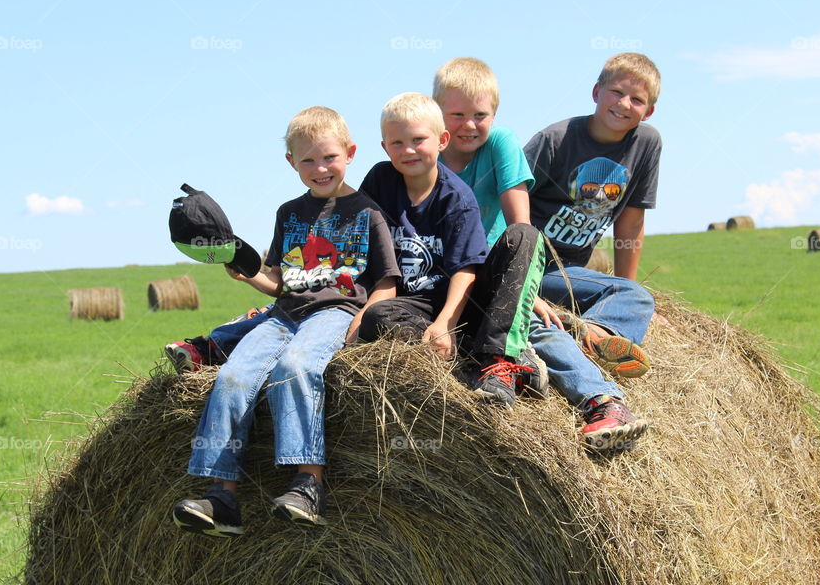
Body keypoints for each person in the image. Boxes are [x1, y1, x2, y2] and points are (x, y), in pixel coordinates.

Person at [171, 106, 399, 536]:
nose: (320, 168)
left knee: (295, 367)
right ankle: (222, 497)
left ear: (350, 153)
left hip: (336, 311)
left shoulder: (368, 213)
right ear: (291, 162)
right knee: (234, 376)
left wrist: (363, 322)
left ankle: (308, 484)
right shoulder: (288, 213)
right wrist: (246, 272)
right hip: (284, 314)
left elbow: (387, 282)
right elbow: (279, 280)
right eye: (308, 160)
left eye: (329, 157)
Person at [357, 92, 543, 409]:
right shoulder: (379, 181)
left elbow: (466, 270)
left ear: (442, 140)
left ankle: (499, 361)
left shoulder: (457, 196)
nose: (409, 150)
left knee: (523, 235)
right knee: (376, 318)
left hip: (465, 303)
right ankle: (477, 356)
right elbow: (366, 249)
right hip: (414, 304)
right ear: (385, 147)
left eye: (418, 139)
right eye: (397, 143)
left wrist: (445, 323)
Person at [524, 52, 661, 449]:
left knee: (634, 294)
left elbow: (630, 223)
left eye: (636, 100)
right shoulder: (555, 140)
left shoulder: (646, 144)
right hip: (531, 265)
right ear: (596, 92)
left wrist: (623, 292)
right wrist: (520, 285)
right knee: (620, 299)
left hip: (568, 272)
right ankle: (590, 354)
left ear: (649, 111)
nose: (624, 104)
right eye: (616, 93)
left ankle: (595, 333)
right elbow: (505, 206)